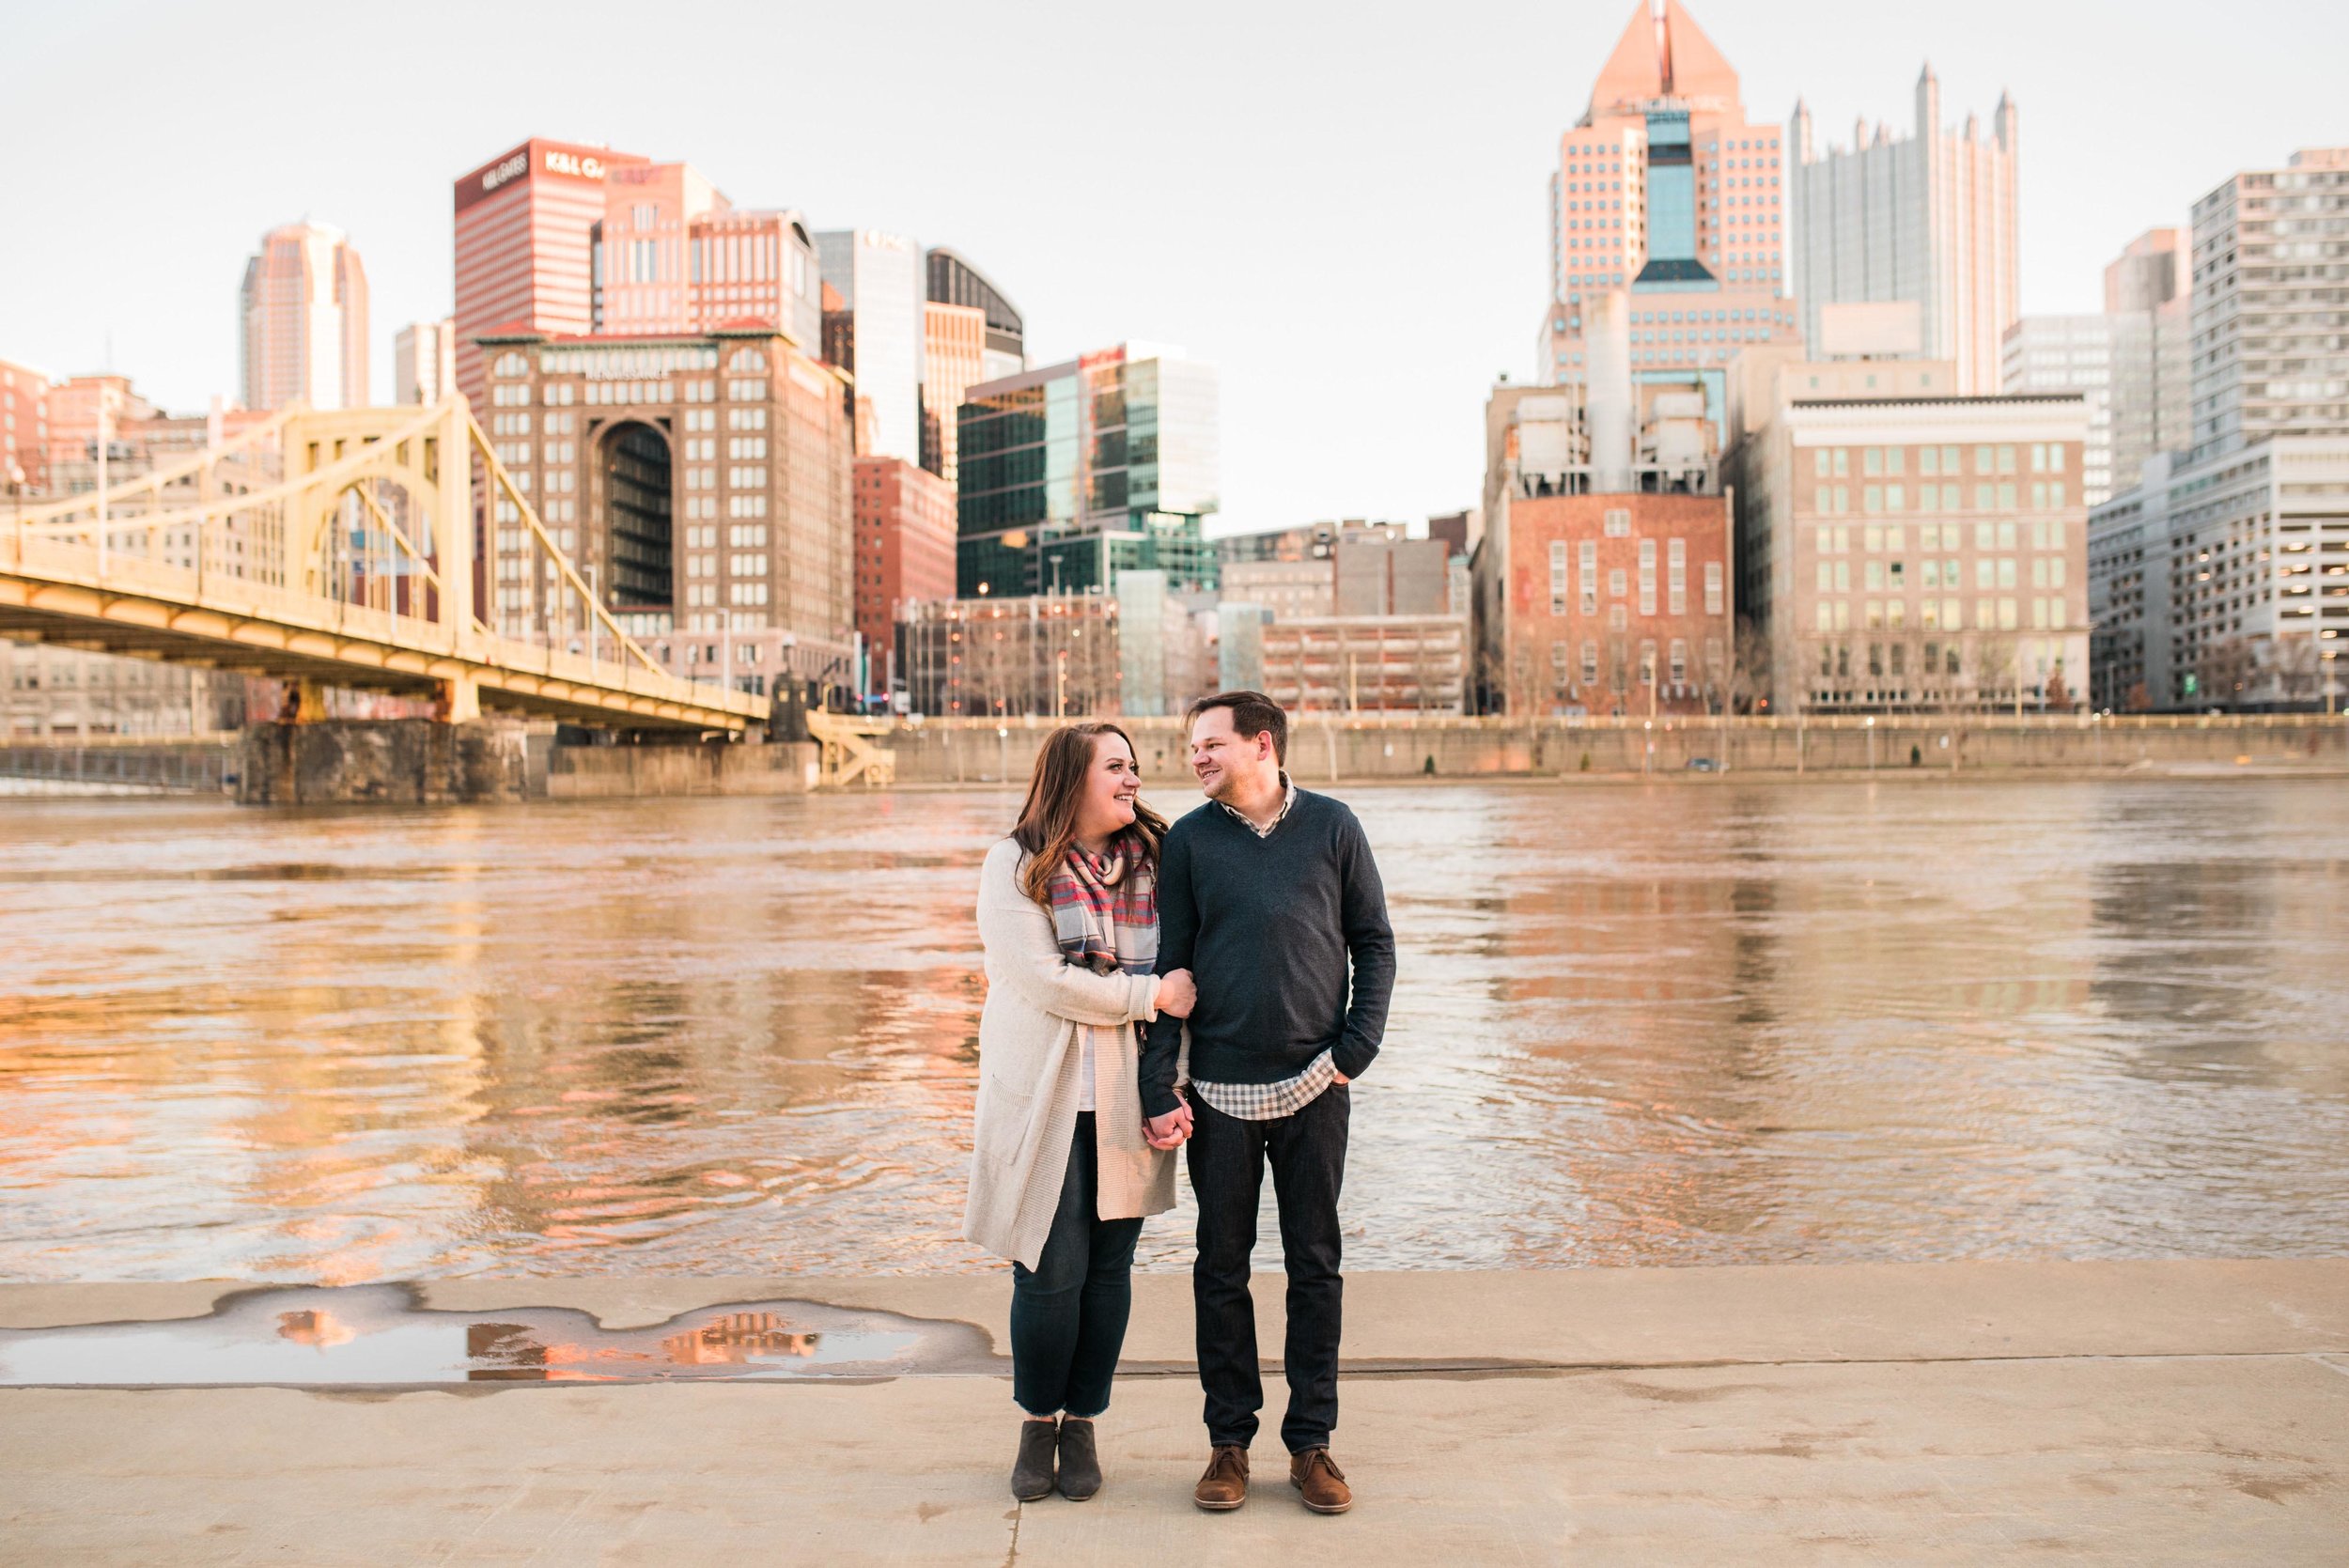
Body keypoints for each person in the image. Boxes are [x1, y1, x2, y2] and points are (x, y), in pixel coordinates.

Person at [1139, 691, 1395, 1516]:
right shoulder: (1189, 842)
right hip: (1218, 1090)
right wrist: (1160, 1082)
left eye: (1210, 744)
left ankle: (1312, 1443)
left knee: (1314, 1266)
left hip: (1317, 1085)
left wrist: (1355, 1049)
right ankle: (1229, 1443)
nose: (1197, 758)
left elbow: (1374, 941)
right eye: (1191, 747)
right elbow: (1171, 970)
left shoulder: (1333, 826)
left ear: (1262, 745)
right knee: (1221, 1269)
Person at [964, 722, 1198, 1504]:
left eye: (1135, 766)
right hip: (1045, 1097)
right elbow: (1044, 978)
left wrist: (1175, 1085)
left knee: (1108, 1273)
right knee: (1048, 1269)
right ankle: (1038, 1421)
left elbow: (1188, 989)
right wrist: (1146, 993)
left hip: (1129, 1094)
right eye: (1115, 766)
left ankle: (1084, 1420)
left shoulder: (1156, 865)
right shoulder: (1015, 863)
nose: (1133, 778)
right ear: (1073, 778)